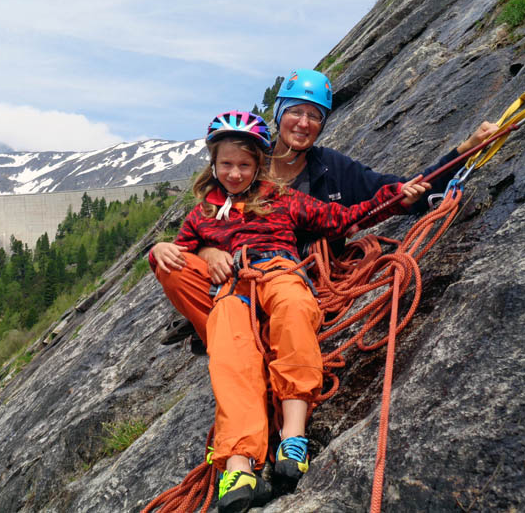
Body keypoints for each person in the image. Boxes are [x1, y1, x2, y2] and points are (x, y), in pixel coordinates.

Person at [149, 111, 431, 513]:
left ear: (259, 165)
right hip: (232, 286)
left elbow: (346, 219)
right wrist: (159, 249)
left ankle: (292, 439)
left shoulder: (282, 198)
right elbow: (184, 252)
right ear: (213, 163)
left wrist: (395, 197)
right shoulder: (201, 215)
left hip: (279, 270)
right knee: (231, 356)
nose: (234, 173)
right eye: (226, 164)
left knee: (295, 312)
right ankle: (238, 465)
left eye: (244, 165)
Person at [159, 69, 499, 348]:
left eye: (314, 116)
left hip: (297, 283)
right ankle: (227, 341)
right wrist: (206, 251)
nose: (303, 123)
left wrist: (465, 150)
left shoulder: (332, 169)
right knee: (173, 265)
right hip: (239, 281)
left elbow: (403, 193)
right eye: (295, 111)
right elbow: (205, 224)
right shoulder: (243, 165)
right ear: (279, 115)